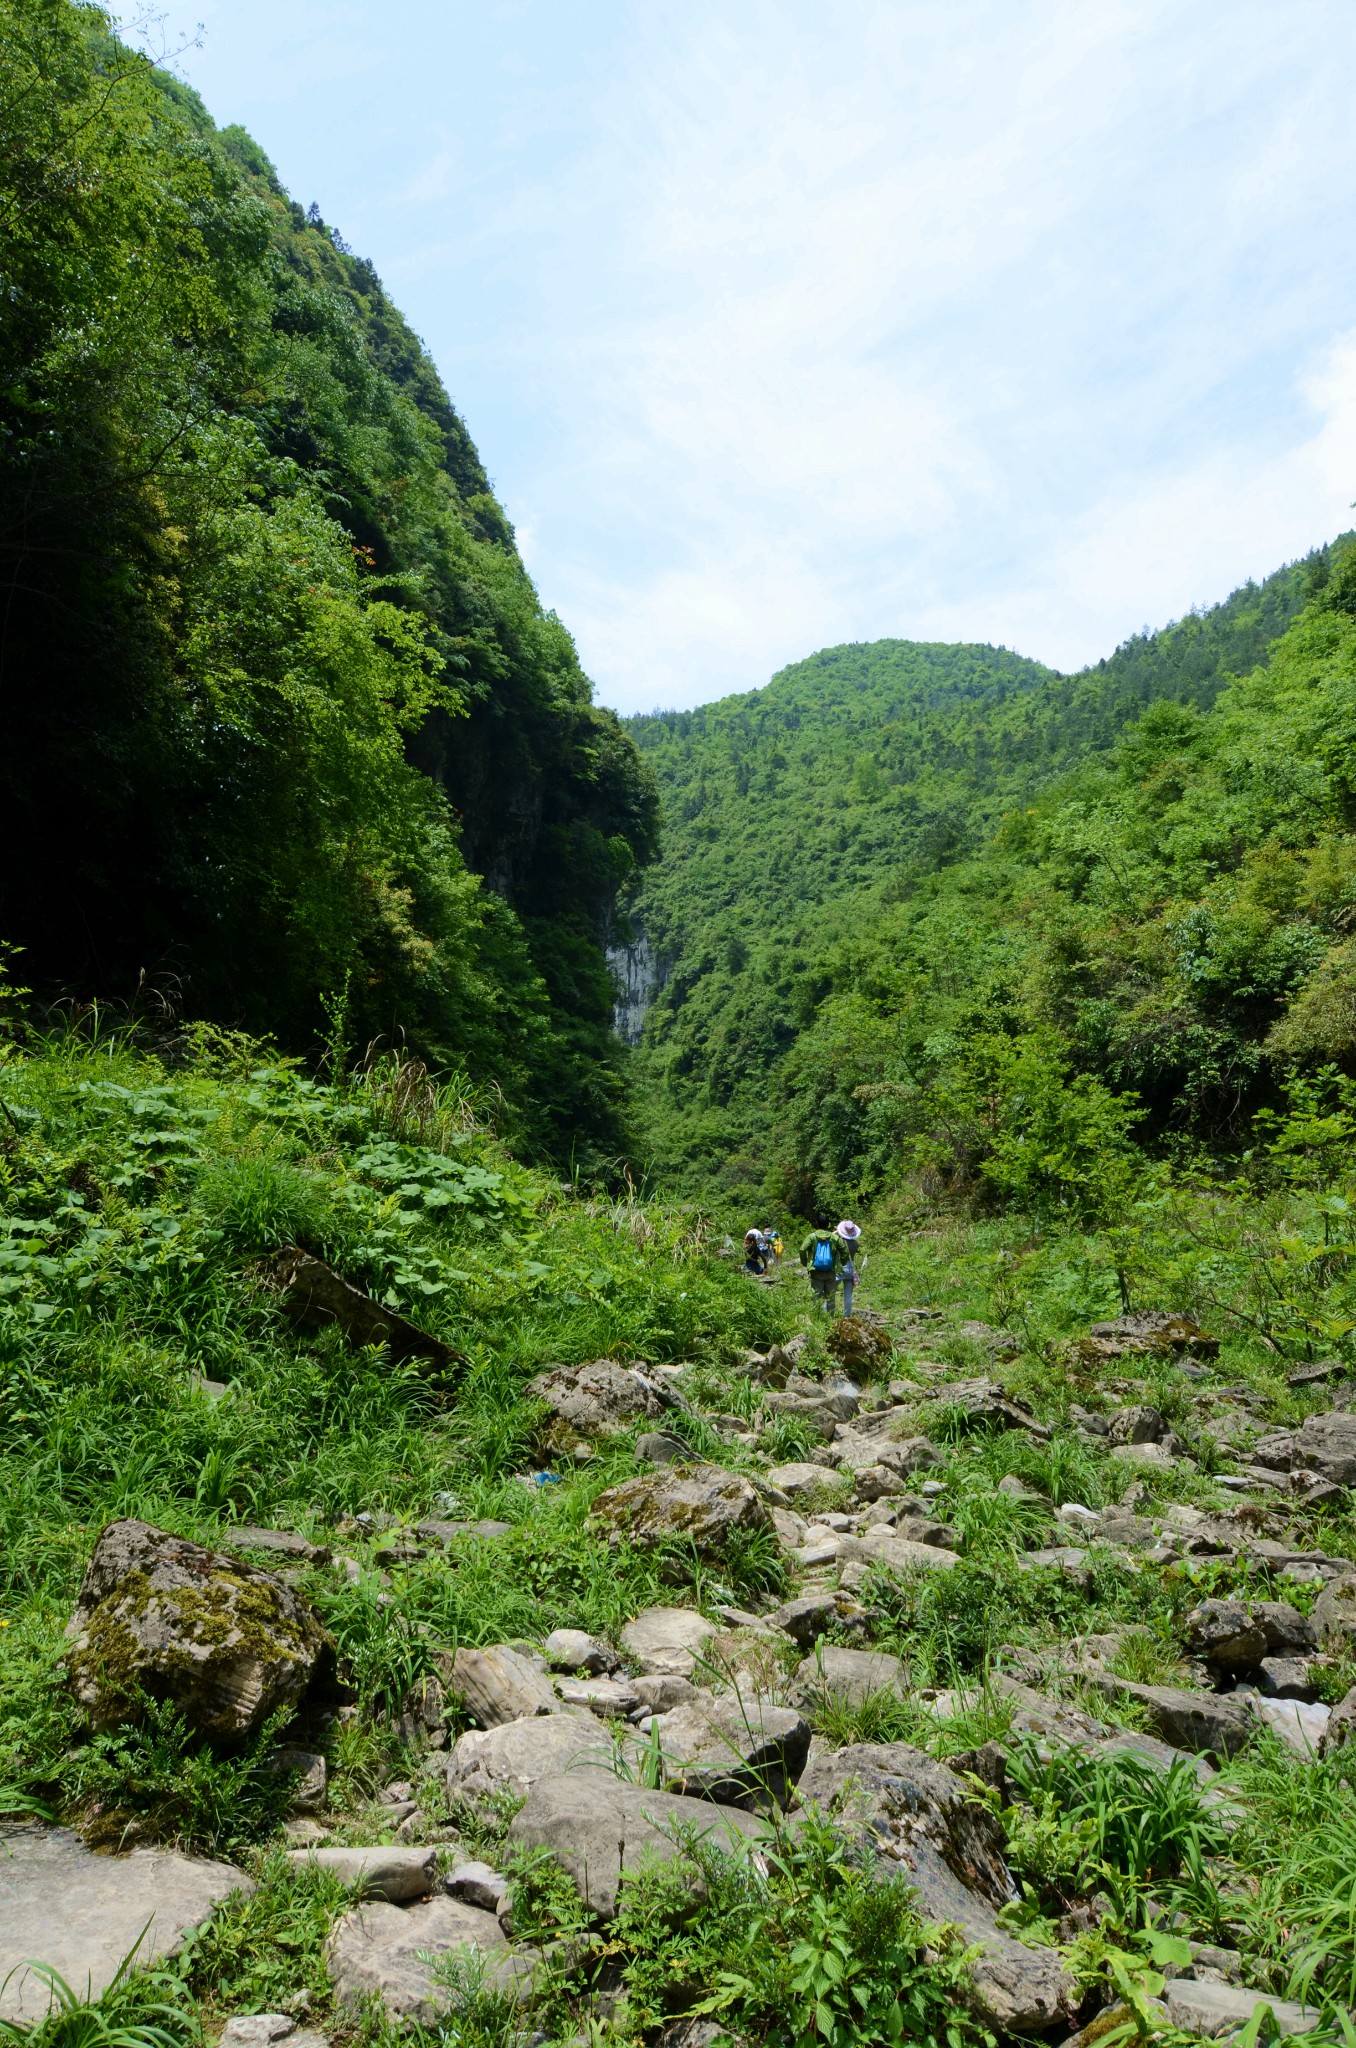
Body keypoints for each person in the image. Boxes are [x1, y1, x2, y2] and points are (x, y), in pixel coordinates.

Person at [799, 1221, 847, 1314]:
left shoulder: (812, 1236)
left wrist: (806, 1263)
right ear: (828, 1224)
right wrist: (842, 1263)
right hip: (831, 1271)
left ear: (817, 1224)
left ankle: (817, 1318)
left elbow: (802, 1249)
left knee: (816, 1295)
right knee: (831, 1296)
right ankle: (830, 1319)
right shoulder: (834, 1237)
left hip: (816, 1271)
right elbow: (844, 1250)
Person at [835, 1219, 863, 1315]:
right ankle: (847, 1316)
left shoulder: (838, 1241)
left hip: (839, 1270)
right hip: (850, 1271)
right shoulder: (855, 1243)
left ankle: (827, 1314)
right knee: (848, 1296)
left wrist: (834, 1233)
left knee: (830, 1293)